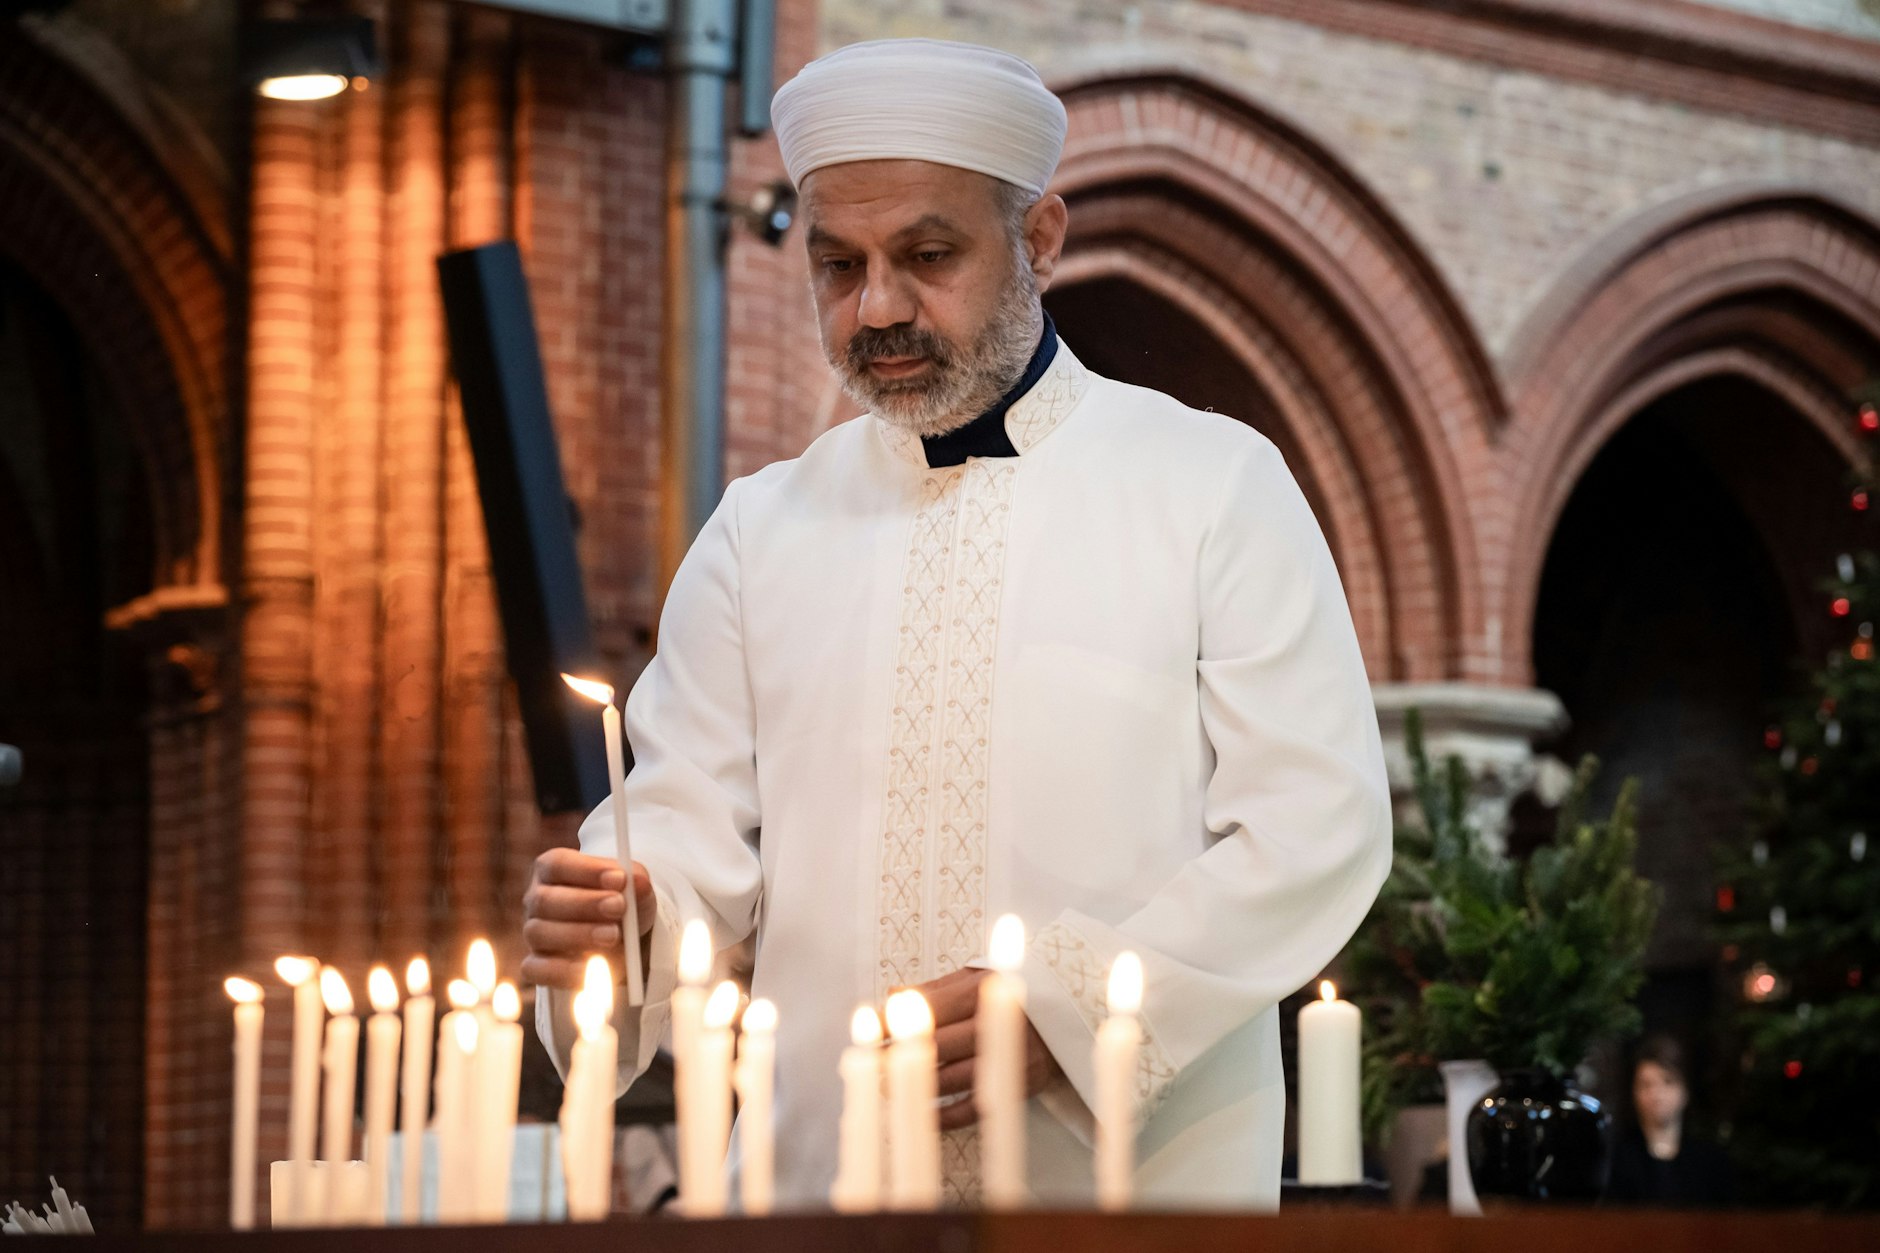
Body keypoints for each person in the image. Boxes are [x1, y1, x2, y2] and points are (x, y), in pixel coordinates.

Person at [524, 37, 1392, 1210]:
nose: (876, 306)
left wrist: (1066, 1006)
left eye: (926, 255)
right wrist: (619, 922)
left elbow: (1313, 826)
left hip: (1131, 1201)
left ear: (1038, 239)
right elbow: (684, 850)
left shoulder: (1210, 483)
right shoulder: (754, 532)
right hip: (813, 1189)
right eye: (837, 265)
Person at [1606, 1035, 1734, 1207]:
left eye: (1668, 1082)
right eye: (1646, 1084)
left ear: (1685, 1090)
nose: (1656, 1095)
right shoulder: (1618, 1157)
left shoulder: (1711, 1161)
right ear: (1633, 1092)